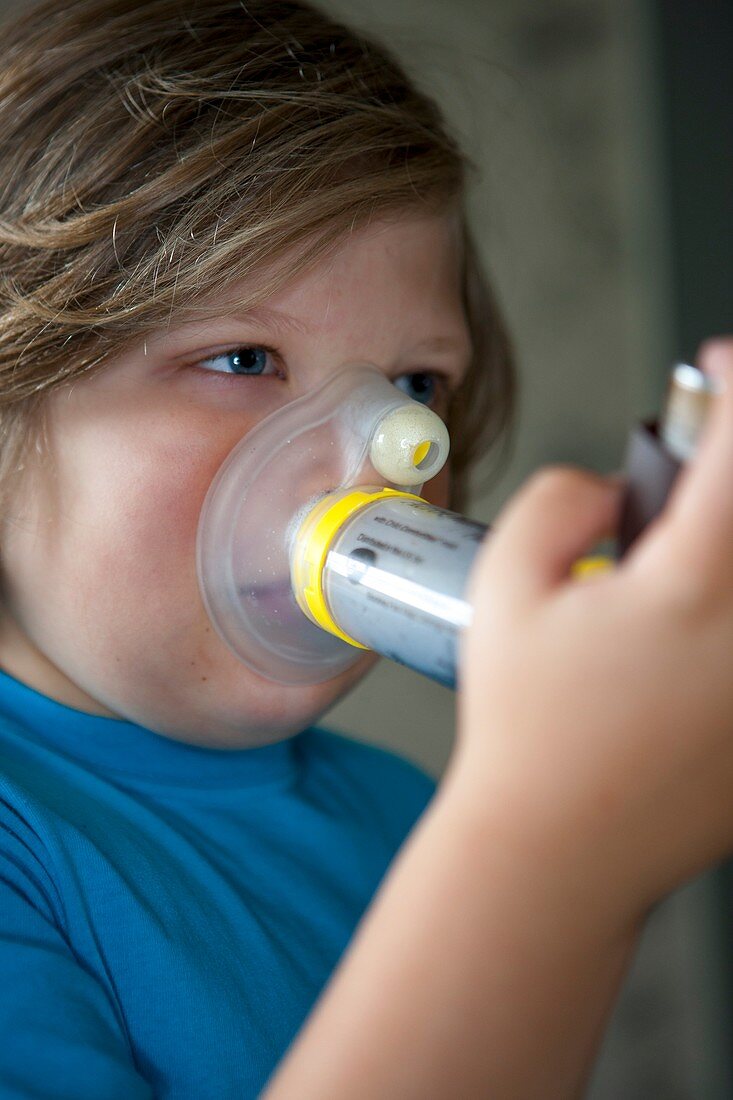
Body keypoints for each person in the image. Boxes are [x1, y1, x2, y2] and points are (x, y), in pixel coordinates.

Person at [0, 0, 731, 1097]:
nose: (389, 451)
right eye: (244, 358)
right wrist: (553, 856)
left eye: (414, 383)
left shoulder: (403, 815)